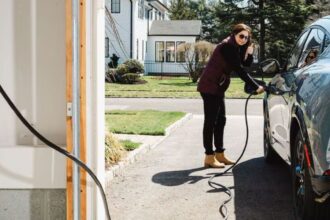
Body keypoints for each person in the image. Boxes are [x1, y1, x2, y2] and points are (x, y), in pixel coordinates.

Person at [197, 23, 264, 168]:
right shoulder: (227, 46)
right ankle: (209, 156)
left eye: (246, 37)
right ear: (234, 34)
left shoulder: (235, 47)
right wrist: (256, 86)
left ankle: (220, 154)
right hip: (209, 86)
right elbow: (239, 70)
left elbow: (245, 64)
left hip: (218, 87)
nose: (244, 39)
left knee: (221, 120)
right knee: (210, 121)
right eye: (241, 36)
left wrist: (250, 53)